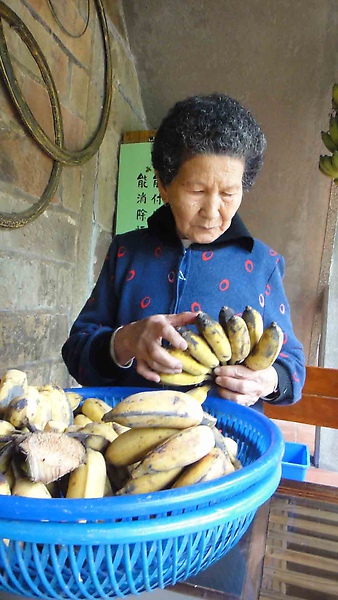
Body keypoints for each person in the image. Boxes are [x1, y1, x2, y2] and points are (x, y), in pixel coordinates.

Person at [62, 93, 306, 411]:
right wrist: (124, 341)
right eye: (197, 191)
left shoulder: (263, 264)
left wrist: (268, 381)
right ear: (164, 185)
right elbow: (76, 351)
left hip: (224, 446)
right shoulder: (127, 252)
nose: (212, 212)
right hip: (125, 432)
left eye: (229, 193)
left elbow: (294, 367)